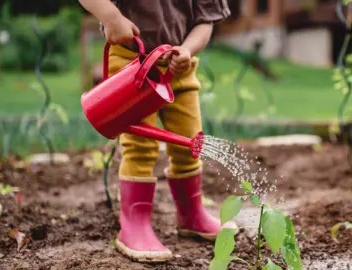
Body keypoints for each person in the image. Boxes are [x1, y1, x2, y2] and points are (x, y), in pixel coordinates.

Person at [78, 0, 238, 262]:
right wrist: (112, 18)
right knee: (141, 147)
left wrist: (187, 49)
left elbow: (204, 21)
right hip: (132, 65)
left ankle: (191, 213)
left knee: (190, 143)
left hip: (179, 69)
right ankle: (134, 223)